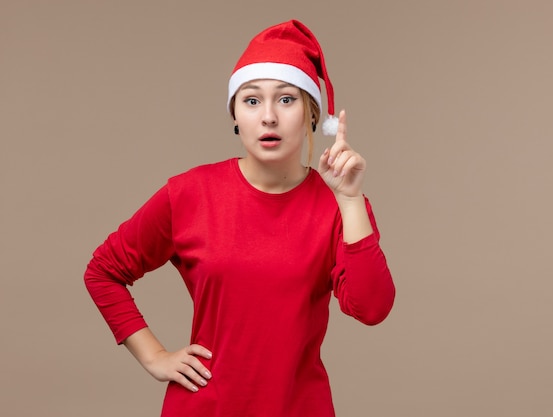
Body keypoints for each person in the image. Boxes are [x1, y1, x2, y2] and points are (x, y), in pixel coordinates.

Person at [84, 19, 395, 417]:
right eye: (251, 100)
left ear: (313, 114)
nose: (268, 117)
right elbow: (103, 270)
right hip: (205, 408)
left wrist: (350, 200)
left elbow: (372, 308)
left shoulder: (339, 205)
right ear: (235, 115)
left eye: (286, 100)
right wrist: (154, 356)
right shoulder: (190, 193)